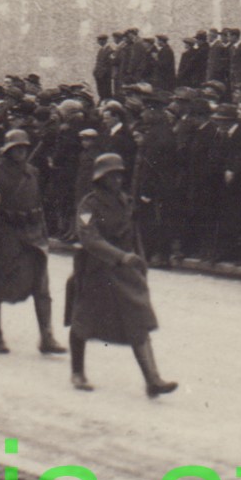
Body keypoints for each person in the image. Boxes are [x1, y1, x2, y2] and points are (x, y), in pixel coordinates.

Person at [66, 152, 177, 396]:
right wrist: (120, 256)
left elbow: (133, 235)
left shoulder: (125, 201)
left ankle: (152, 379)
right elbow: (89, 238)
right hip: (95, 270)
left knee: (139, 319)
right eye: (111, 176)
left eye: (119, 175)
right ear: (100, 178)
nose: (117, 180)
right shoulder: (88, 205)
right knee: (83, 321)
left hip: (124, 271)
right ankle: (77, 372)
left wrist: (140, 261)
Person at [0, 128, 65, 355]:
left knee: (41, 286)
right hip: (5, 232)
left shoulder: (33, 172)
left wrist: (43, 231)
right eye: (16, 148)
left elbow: (39, 202)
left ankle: (47, 337)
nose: (21, 152)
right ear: (7, 150)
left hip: (33, 232)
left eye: (24, 148)